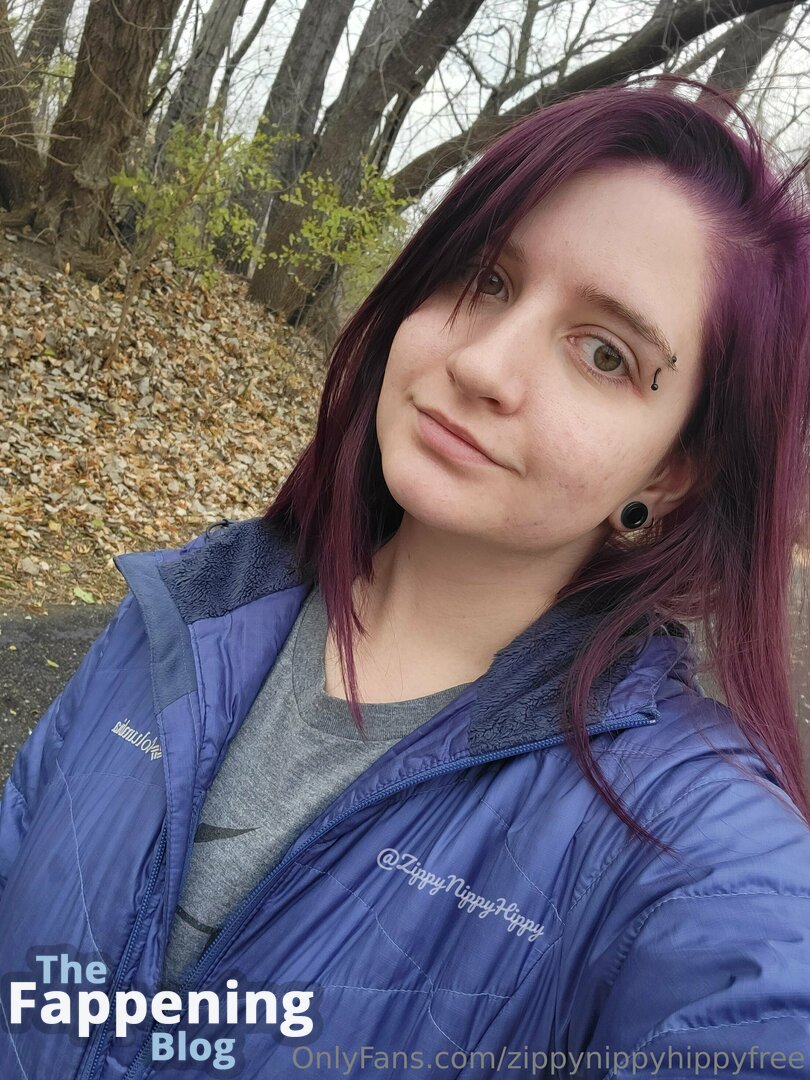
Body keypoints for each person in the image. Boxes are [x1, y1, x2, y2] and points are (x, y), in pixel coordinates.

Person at [1, 74, 809, 1080]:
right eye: (486, 279)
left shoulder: (684, 838)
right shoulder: (189, 607)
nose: (483, 366)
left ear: (669, 473)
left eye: (605, 354)